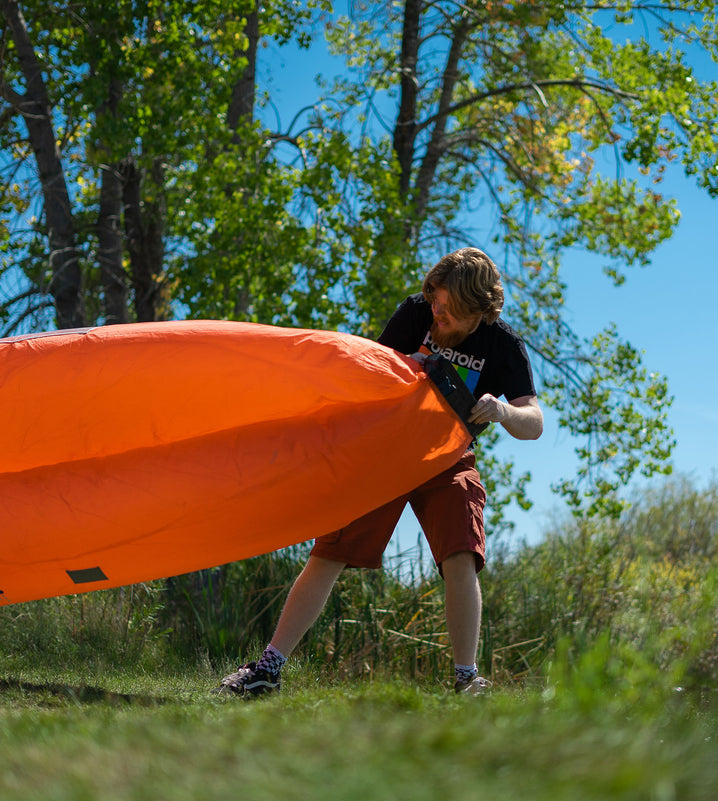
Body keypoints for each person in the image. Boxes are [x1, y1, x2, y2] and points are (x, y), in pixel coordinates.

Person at [218, 247, 543, 697]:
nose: (436, 314)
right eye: (435, 303)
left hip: (449, 459)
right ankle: (267, 669)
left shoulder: (503, 344)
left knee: (461, 553)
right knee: (330, 551)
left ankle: (467, 680)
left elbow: (536, 422)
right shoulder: (414, 314)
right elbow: (367, 376)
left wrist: (505, 411)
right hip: (386, 454)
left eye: (447, 310)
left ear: (478, 312)